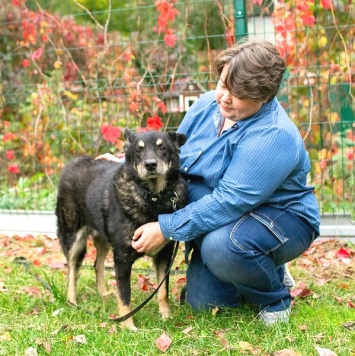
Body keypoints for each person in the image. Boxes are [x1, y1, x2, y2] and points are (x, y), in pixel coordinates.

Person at [128, 39, 320, 326]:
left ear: (264, 95)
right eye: (222, 84)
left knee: (223, 247)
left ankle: (274, 296)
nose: (224, 97)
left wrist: (166, 228)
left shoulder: (273, 135)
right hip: (225, 217)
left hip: (279, 219)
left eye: (238, 93)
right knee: (204, 303)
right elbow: (172, 153)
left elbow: (228, 201)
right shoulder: (208, 104)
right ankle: (254, 269)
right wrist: (124, 163)